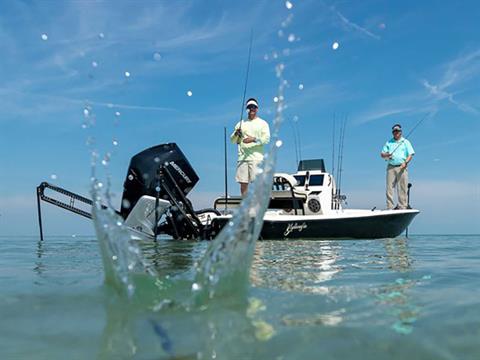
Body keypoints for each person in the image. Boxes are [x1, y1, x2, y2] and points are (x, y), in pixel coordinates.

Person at [230, 98, 270, 196]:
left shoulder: (263, 123)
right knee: (243, 184)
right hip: (242, 158)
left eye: (254, 107)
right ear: (247, 109)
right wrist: (236, 134)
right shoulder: (240, 124)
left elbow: (266, 139)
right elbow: (232, 140)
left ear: (257, 108)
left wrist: (253, 139)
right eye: (249, 107)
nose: (251, 108)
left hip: (256, 159)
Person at [380, 124, 415, 210]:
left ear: (401, 132)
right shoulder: (389, 142)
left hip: (402, 167)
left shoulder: (406, 142)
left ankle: (402, 206)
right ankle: (390, 207)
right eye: (394, 131)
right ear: (392, 132)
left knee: (402, 187)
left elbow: (411, 154)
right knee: (389, 188)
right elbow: (382, 154)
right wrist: (387, 155)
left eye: (397, 131)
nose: (396, 132)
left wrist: (405, 162)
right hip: (391, 167)